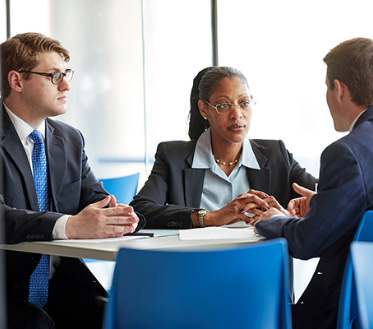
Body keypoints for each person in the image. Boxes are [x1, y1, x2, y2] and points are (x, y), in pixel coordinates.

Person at [0, 32, 145, 329]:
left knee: (116, 315)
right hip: (6, 288)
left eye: (67, 74)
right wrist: (69, 225)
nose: (66, 85)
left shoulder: (69, 138)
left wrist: (115, 216)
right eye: (54, 76)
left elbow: (93, 197)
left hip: (60, 284)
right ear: (16, 81)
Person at [253, 37, 373, 329]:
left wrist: (273, 219)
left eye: (326, 87)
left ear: (338, 88)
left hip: (349, 310)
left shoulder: (346, 151)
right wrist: (325, 204)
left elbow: (307, 242)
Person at [130, 66, 316, 229]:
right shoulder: (173, 157)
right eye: (224, 105)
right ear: (204, 109)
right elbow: (141, 210)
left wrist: (287, 213)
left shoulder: (276, 154)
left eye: (244, 103)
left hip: (260, 261)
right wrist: (211, 217)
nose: (237, 115)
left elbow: (325, 193)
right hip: (197, 262)